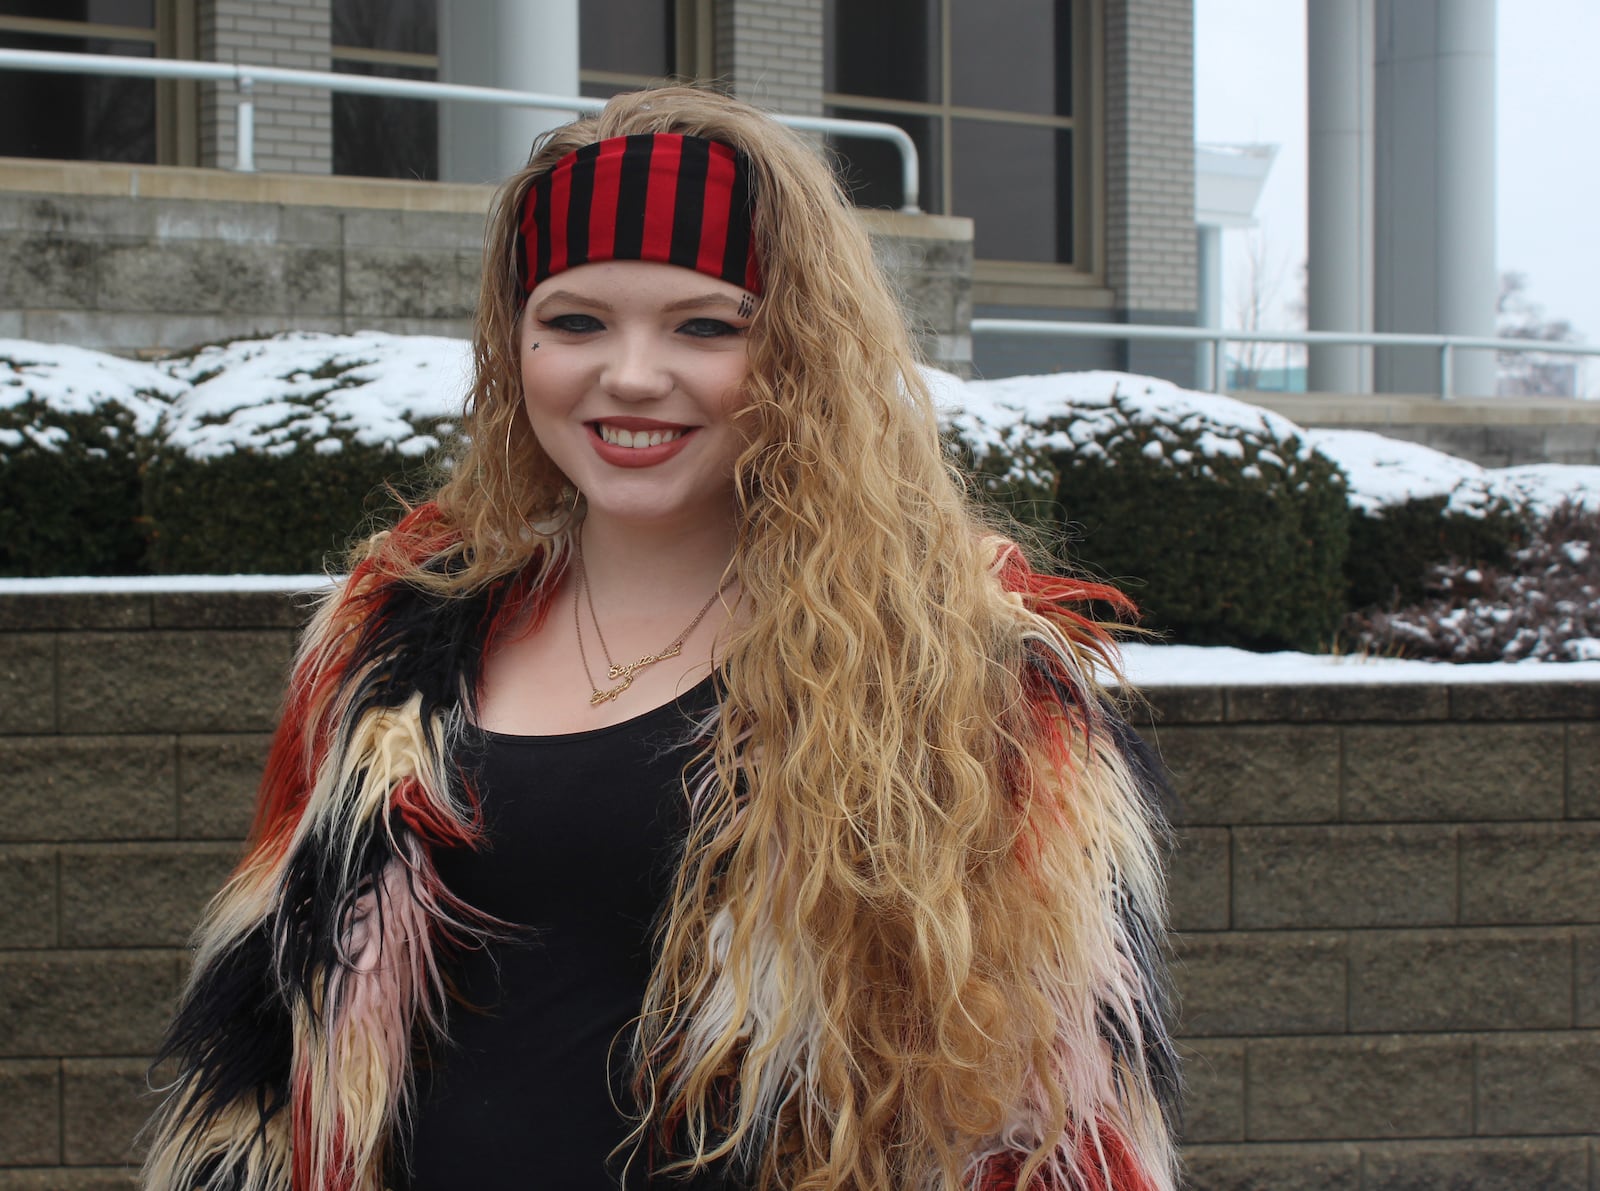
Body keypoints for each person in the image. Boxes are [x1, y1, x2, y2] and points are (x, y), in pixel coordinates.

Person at [142, 86, 1179, 1191]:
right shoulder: (388, 647)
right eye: (576, 321)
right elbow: (262, 1055)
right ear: (515, 342)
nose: (629, 374)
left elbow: (1058, 1120)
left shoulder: (963, 671)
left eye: (704, 326)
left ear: (800, 354)